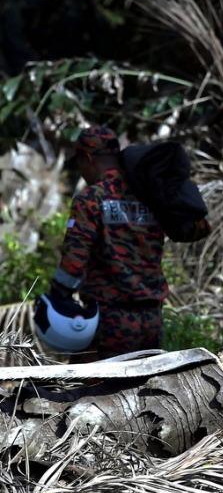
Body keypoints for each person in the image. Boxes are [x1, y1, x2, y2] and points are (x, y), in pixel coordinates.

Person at [50, 126, 170, 360]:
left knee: (92, 391)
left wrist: (57, 297)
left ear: (87, 158)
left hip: (109, 320)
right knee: (145, 390)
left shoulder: (91, 198)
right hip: (152, 318)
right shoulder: (148, 195)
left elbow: (74, 260)